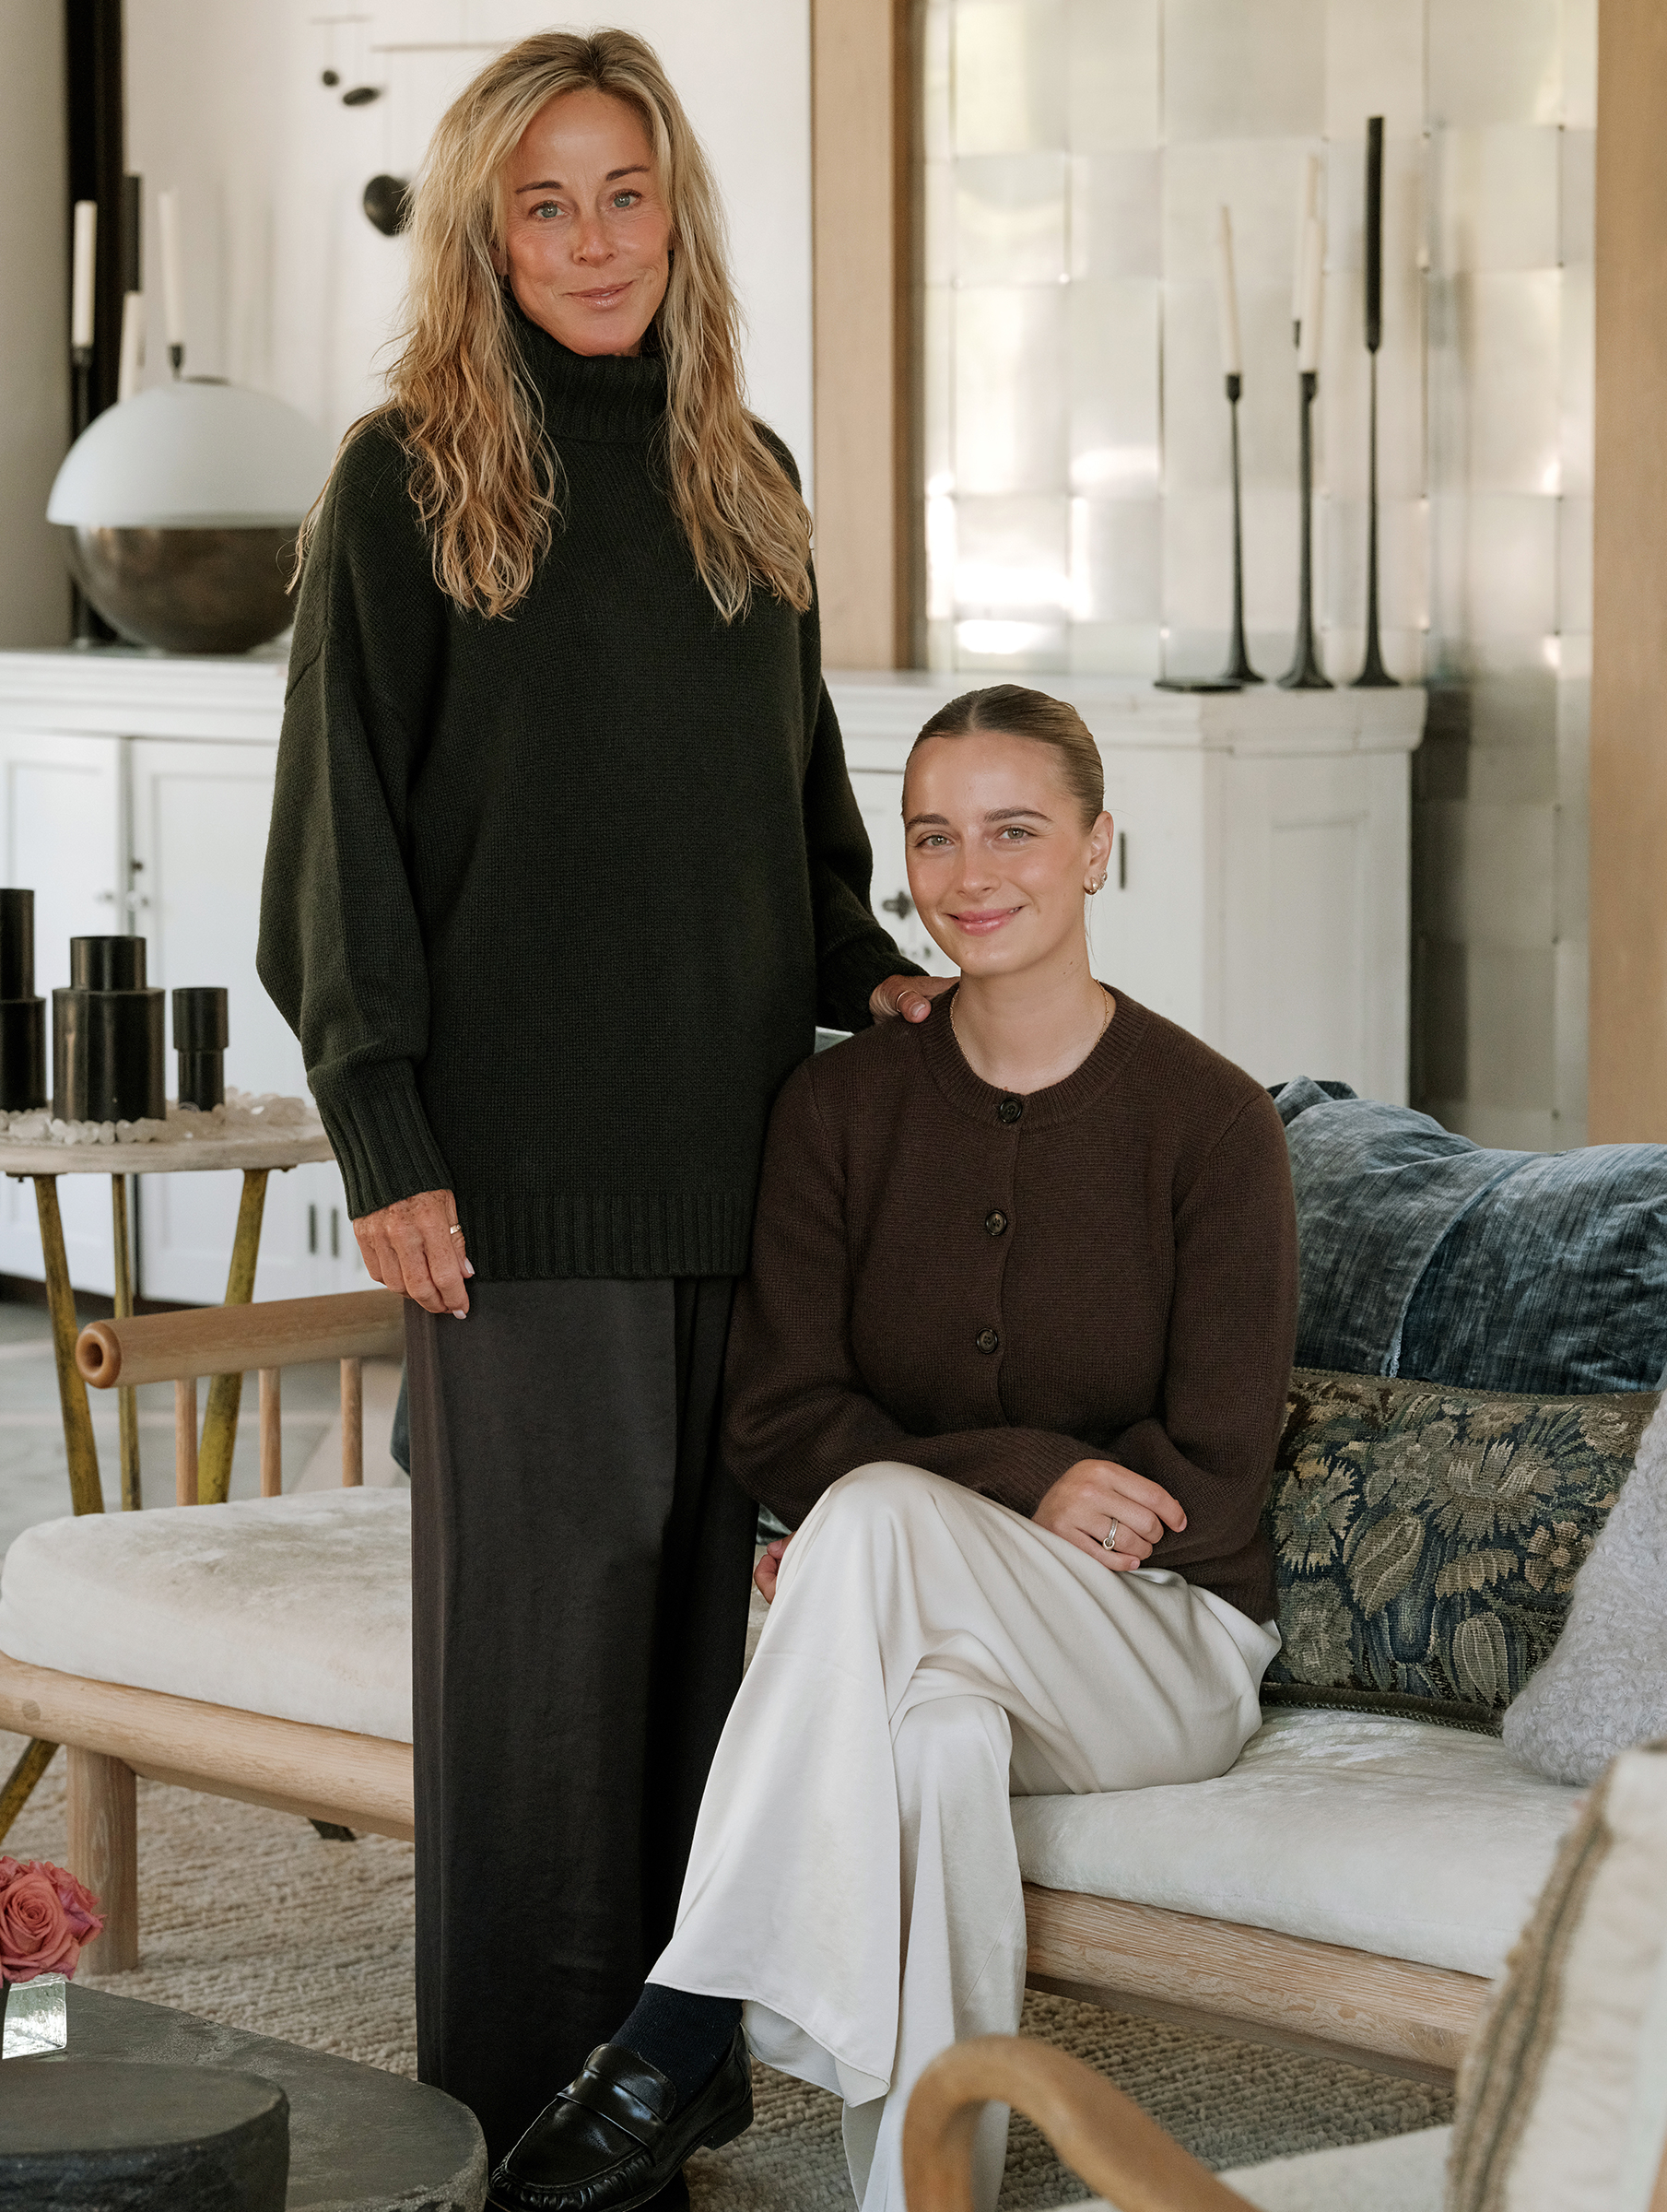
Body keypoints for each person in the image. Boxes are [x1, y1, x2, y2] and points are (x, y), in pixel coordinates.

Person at [257, 27, 943, 2180]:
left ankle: (672, 2084)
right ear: (481, 229)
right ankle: (505, 2119)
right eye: (540, 202)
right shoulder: (405, 482)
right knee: (540, 1696)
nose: (589, 238)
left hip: (744, 1166)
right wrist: (386, 1138)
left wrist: (883, 983)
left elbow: (795, 826)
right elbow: (332, 845)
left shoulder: (749, 476)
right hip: (515, 1183)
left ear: (678, 209)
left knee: (697, 1680)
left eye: (622, 191)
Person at [490, 684, 1299, 2212]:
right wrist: (1014, 1486)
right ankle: (924, 2198)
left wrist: (964, 1502)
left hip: (1162, 1645)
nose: (971, 874)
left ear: (1097, 850)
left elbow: (1212, 1473)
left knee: (864, 1523)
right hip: (938, 1629)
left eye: (1016, 831)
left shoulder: (1210, 1123)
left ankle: (675, 2028)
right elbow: (774, 1414)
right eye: (934, 837)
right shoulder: (840, 1108)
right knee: (931, 1742)